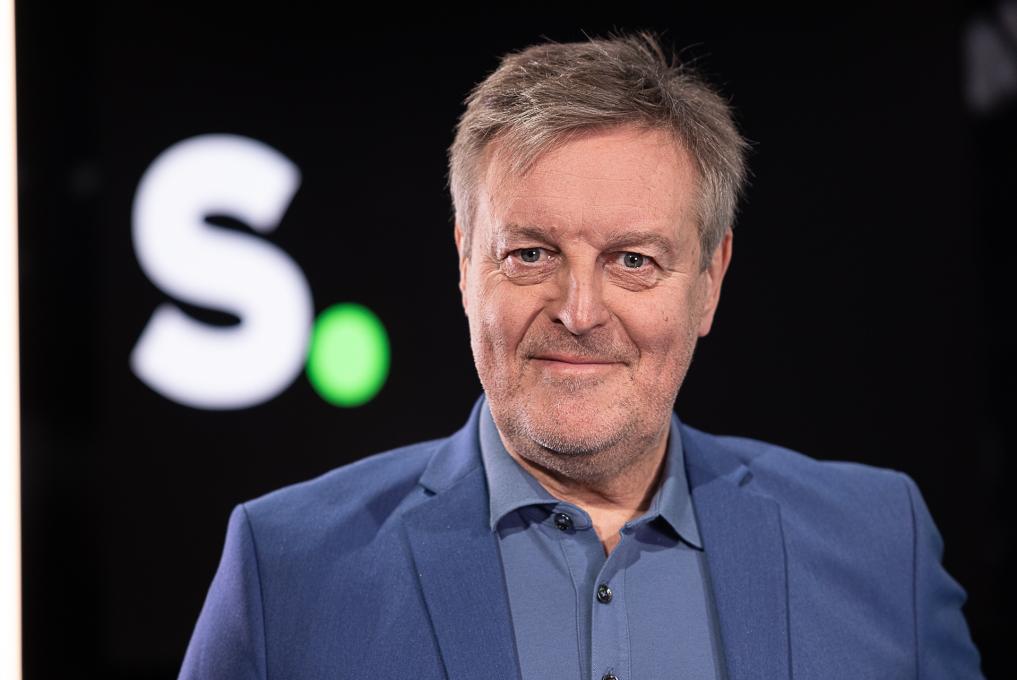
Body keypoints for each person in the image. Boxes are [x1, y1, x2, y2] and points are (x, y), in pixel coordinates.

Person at [179, 32, 983, 680]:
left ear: (709, 281)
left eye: (633, 260)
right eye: (530, 254)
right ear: (465, 265)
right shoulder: (287, 567)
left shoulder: (881, 545)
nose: (579, 312)